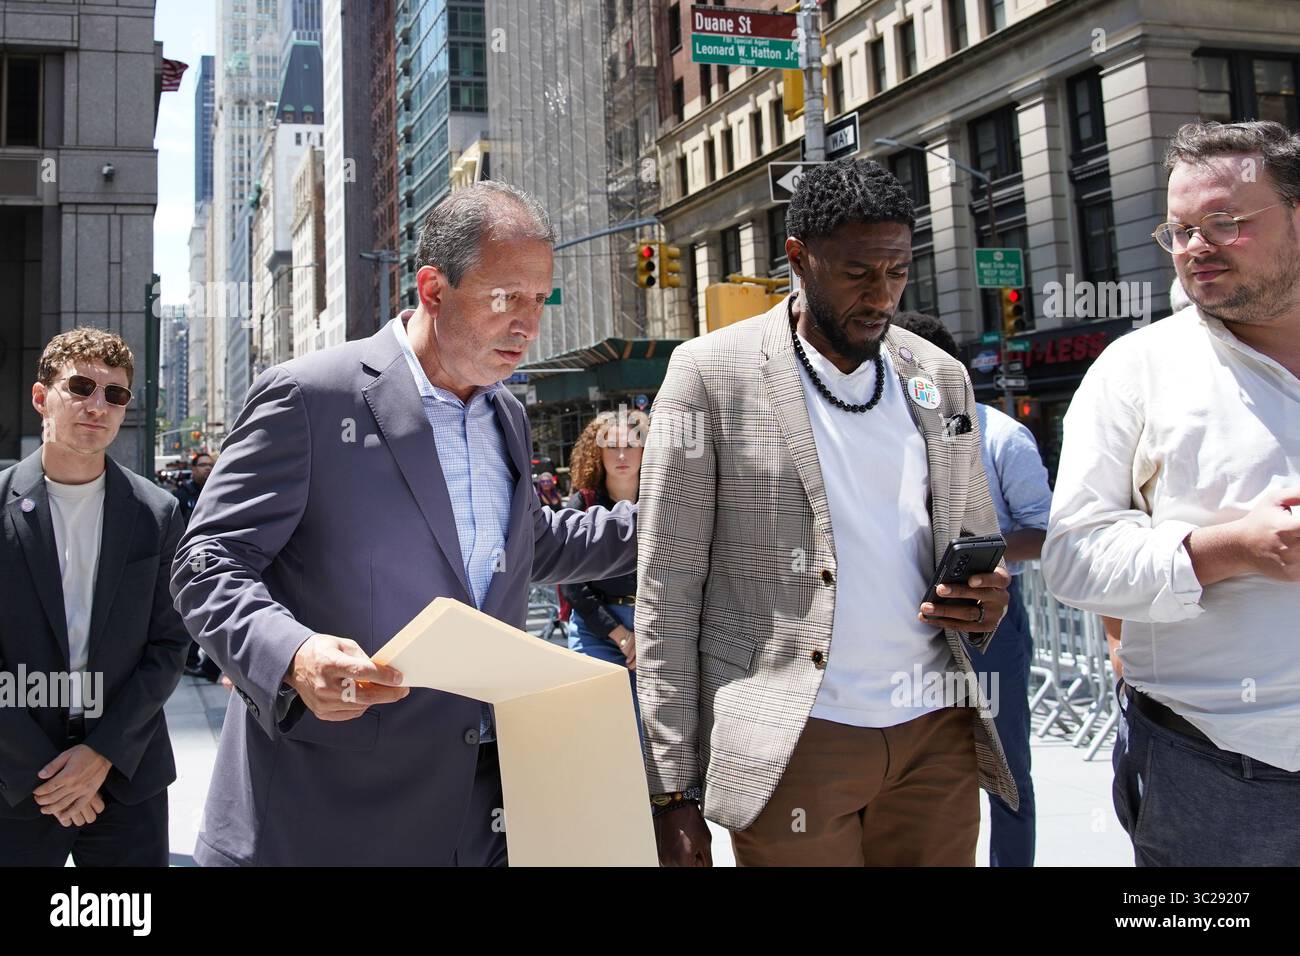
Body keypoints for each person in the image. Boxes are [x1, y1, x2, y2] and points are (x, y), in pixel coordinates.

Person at [170, 181, 637, 867]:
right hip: (323, 814)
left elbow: (528, 545)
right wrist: (294, 656)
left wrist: (673, 514)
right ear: (433, 288)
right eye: (507, 297)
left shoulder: (505, 413)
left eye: (540, 300)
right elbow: (207, 562)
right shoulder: (311, 397)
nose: (528, 325)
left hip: (478, 815)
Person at [637, 158, 1016, 867]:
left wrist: (986, 596)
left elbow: (973, 540)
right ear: (798, 259)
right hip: (794, 739)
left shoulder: (939, 378)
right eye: (857, 273)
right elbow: (667, 586)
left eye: (898, 271)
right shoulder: (708, 375)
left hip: (935, 734)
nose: (881, 295)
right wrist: (670, 790)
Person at [1043, 120, 1300, 866]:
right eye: (1180, 229)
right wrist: (1231, 549)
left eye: (1225, 222)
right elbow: (1074, 557)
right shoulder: (1137, 369)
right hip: (1216, 772)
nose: (1195, 246)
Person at [0, 328, 190, 866]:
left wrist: (102, 754)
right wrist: (44, 772)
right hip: (14, 778)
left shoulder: (157, 512)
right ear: (41, 398)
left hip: (127, 775)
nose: (96, 405)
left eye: (114, 394)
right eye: (80, 387)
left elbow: (169, 644)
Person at [892, 310, 1052, 867]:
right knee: (914, 776)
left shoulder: (1003, 435)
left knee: (1006, 771)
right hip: (905, 627)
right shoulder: (886, 438)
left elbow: (1045, 530)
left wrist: (979, 550)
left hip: (991, 623)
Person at [561, 413, 644, 735]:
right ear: (598, 453)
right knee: (603, 731)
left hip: (655, 626)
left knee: (651, 734)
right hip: (596, 627)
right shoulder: (584, 502)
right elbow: (571, 582)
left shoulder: (663, 498)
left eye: (630, 445)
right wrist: (621, 635)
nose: (621, 456)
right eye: (611, 447)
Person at [174, 453, 221, 681]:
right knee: (193, 604)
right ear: (193, 469)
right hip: (190, 558)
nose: (207, 469)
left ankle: (212, 664)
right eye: (203, 465)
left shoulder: (221, 489)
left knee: (214, 606)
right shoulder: (183, 495)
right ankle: (190, 659)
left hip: (216, 557)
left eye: (211, 465)